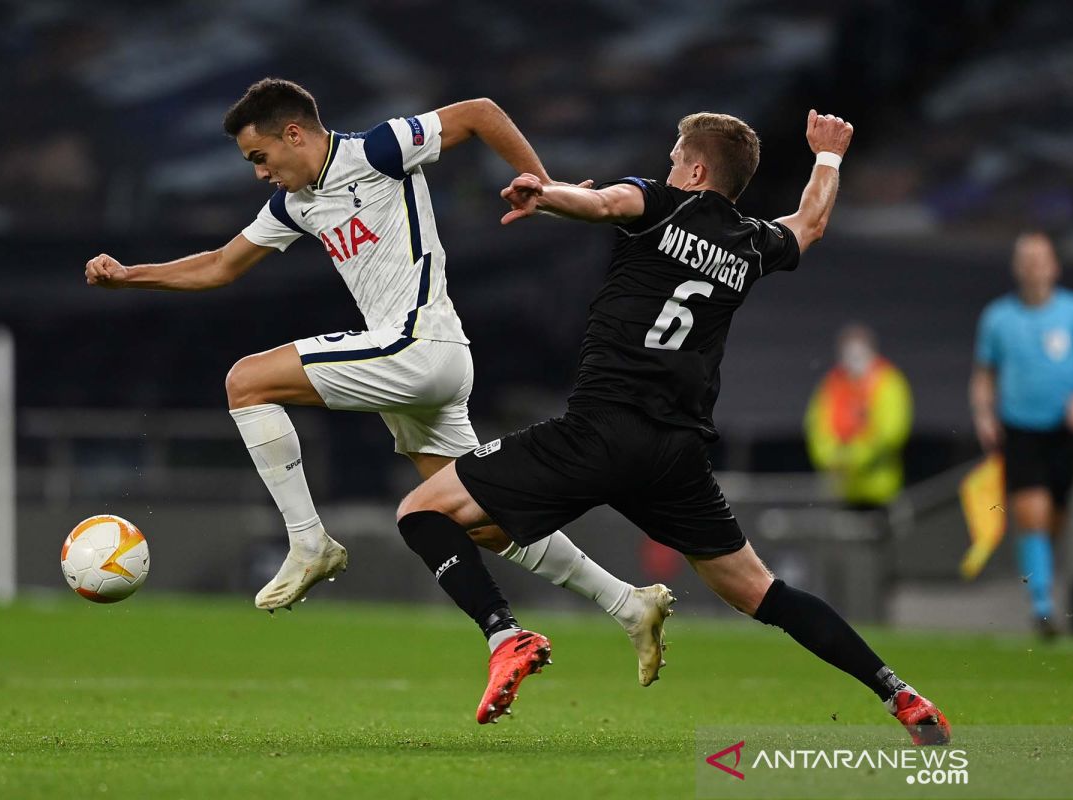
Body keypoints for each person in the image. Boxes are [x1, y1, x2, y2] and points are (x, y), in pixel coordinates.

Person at [84, 78, 674, 685]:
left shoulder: (380, 149)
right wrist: (130, 276)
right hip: (420, 366)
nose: (259, 174)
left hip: (418, 346)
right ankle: (629, 602)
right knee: (484, 521)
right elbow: (218, 266)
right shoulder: (294, 204)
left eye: (260, 158)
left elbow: (478, 111)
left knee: (246, 381)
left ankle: (309, 541)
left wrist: (543, 187)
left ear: (294, 134)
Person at [396, 109, 952, 746]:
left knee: (420, 512)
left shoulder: (661, 203)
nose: (665, 168)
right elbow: (810, 224)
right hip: (675, 455)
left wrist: (547, 195)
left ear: (694, 170)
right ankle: (898, 692)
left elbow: (605, 204)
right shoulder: (750, 243)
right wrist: (827, 157)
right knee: (759, 591)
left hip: (598, 431)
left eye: (672, 160)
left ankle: (503, 632)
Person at [970, 232, 1073, 637]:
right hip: (1020, 428)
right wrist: (983, 413)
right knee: (1030, 511)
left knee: (1055, 516)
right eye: (1025, 258)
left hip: (1066, 430)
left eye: (1039, 258)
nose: (1033, 265)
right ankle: (1043, 608)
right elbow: (984, 374)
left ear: (1054, 265)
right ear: (1017, 267)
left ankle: (1044, 580)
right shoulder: (998, 317)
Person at [805, 324, 912, 509]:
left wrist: (854, 458)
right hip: (841, 491)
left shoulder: (887, 382)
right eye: (849, 354)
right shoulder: (832, 385)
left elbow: (892, 431)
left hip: (880, 491)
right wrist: (832, 458)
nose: (854, 361)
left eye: (859, 354)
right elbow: (817, 428)